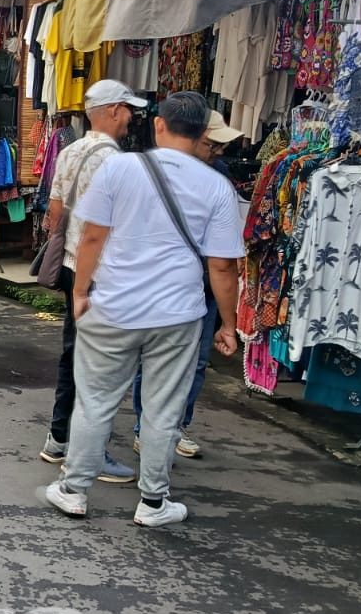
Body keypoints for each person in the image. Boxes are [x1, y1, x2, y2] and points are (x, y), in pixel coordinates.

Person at [46, 92, 243, 528]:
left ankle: (74, 490)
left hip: (113, 305)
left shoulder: (120, 167)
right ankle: (153, 502)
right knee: (162, 409)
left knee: (95, 401)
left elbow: (93, 237)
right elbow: (223, 266)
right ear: (204, 134)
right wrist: (229, 325)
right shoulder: (218, 187)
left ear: (158, 124)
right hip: (177, 315)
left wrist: (80, 292)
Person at [37, 79, 147, 485]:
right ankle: (90, 452)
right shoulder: (117, 161)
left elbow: (54, 209)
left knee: (73, 350)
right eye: (129, 109)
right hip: (102, 270)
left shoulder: (70, 151)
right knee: (101, 363)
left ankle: (59, 436)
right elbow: (116, 223)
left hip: (69, 264)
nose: (132, 118)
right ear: (114, 111)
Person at [129, 107, 243, 459]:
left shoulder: (219, 175)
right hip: (162, 285)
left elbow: (223, 259)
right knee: (151, 361)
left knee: (194, 363)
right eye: (212, 144)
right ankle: (145, 428)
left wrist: (228, 319)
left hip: (203, 288)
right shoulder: (150, 172)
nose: (218, 151)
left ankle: (174, 425)